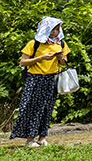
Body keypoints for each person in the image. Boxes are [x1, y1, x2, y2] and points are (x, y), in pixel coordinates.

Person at [10, 17, 71, 148]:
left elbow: (64, 63)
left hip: (51, 79)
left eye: (57, 29)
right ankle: (29, 139)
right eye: (52, 29)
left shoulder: (61, 44)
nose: (54, 32)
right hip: (35, 79)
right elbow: (23, 62)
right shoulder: (34, 43)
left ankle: (42, 138)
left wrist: (61, 58)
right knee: (32, 108)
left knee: (47, 109)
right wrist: (41, 58)